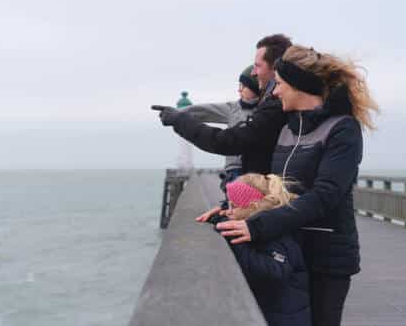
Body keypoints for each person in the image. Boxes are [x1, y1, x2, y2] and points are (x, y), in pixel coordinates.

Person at [153, 44, 379, 326]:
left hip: (326, 258)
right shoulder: (287, 128)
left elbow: (325, 196)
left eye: (280, 84)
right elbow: (272, 188)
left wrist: (255, 226)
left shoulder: (342, 129)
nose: (273, 92)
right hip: (290, 248)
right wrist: (233, 209)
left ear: (299, 86)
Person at [151, 33, 292, 175]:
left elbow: (228, 142)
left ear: (275, 68)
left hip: (264, 189)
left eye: (257, 66)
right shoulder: (270, 103)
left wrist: (179, 119)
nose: (253, 73)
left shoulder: (276, 106)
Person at [207, 173, 311, 326]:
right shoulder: (262, 228)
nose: (228, 212)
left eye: (234, 206)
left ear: (254, 207)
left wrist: (234, 238)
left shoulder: (278, 235)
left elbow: (272, 273)